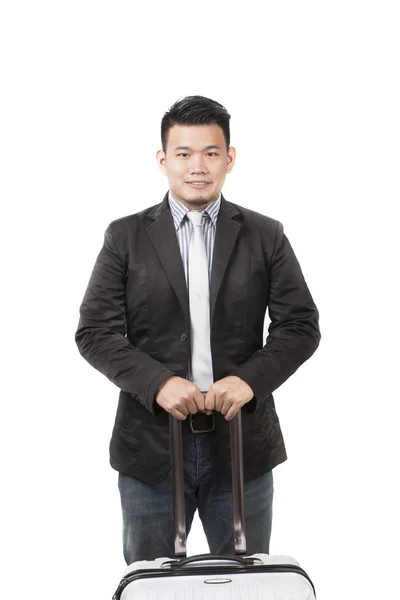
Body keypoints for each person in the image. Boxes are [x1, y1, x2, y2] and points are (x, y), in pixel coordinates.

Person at [75, 95, 321, 565]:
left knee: (246, 585)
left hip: (241, 446)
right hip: (150, 447)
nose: (197, 166)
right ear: (162, 160)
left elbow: (300, 325)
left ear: (230, 158)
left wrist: (249, 380)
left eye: (210, 152)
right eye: (184, 154)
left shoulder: (265, 234)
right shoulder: (124, 236)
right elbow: (95, 332)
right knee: (153, 585)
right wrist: (158, 382)